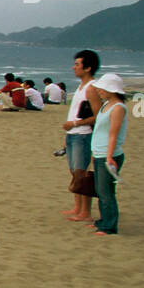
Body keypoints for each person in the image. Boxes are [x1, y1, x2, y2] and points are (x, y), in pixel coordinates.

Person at [62, 49, 102, 223]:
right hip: (73, 135)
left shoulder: (91, 88)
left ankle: (85, 211)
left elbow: (98, 115)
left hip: (83, 135)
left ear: (88, 68)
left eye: (77, 64)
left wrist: (76, 124)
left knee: (82, 173)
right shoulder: (80, 87)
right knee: (74, 172)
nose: (74, 67)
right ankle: (78, 207)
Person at [90, 73, 128, 235]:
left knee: (106, 192)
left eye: (103, 89)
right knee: (100, 190)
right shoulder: (107, 105)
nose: (100, 91)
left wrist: (110, 156)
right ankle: (103, 220)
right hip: (99, 153)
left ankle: (109, 226)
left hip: (108, 154)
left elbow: (113, 134)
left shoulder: (118, 107)